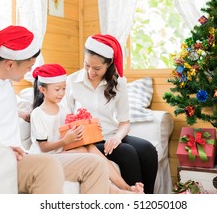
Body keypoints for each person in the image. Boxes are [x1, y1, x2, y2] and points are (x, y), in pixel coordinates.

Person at [0, 25, 110, 194]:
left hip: (19, 158)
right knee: (48, 166)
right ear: (10, 64)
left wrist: (23, 115)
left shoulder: (3, 81)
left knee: (95, 164)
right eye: (28, 67)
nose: (29, 72)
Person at [63, 34, 158, 194]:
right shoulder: (72, 81)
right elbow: (64, 118)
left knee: (148, 150)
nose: (90, 72)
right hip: (89, 141)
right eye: (87, 65)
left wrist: (117, 138)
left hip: (112, 135)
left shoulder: (118, 82)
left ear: (109, 65)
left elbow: (124, 122)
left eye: (97, 68)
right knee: (128, 153)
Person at [29, 63, 144, 194]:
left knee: (89, 147)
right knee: (85, 153)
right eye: (57, 89)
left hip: (61, 152)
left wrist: (92, 127)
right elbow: (43, 147)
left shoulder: (63, 108)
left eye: (64, 89)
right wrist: (65, 141)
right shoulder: (37, 114)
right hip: (45, 157)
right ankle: (118, 192)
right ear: (42, 89)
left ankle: (126, 187)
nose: (61, 93)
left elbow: (71, 127)